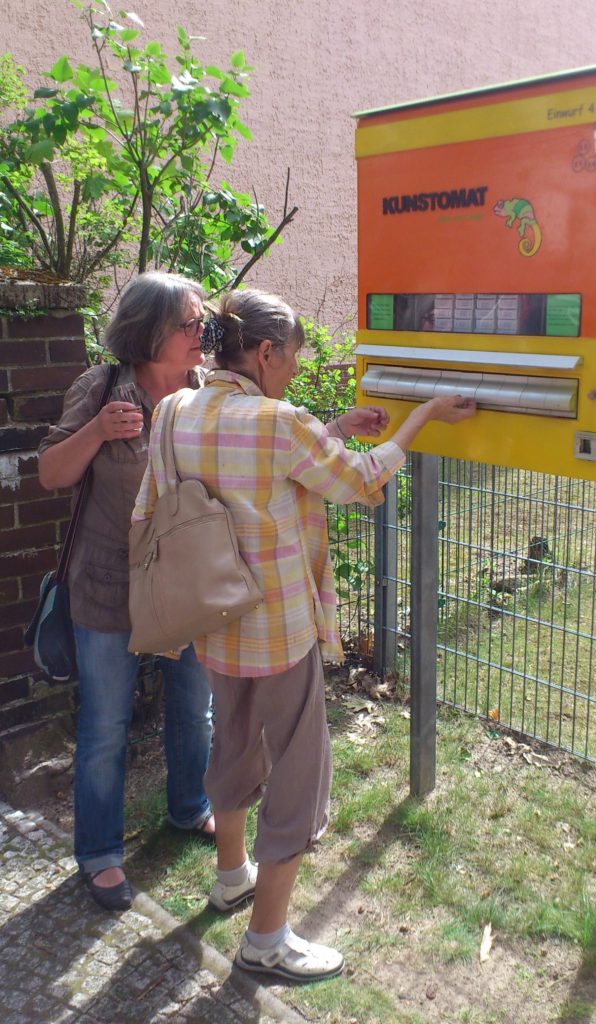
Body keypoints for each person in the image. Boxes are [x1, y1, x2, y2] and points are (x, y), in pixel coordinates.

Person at [133, 288, 476, 981]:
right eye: (290, 356)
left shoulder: (174, 408)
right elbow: (357, 480)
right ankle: (266, 940)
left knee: (230, 743)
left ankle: (232, 876)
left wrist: (335, 426)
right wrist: (420, 423)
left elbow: (251, 472)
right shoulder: (276, 420)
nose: (293, 369)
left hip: (208, 616)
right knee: (296, 773)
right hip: (276, 627)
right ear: (263, 352)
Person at [38, 272, 216, 913]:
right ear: (149, 333)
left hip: (186, 586)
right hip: (108, 588)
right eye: (191, 324)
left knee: (195, 708)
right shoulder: (102, 388)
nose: (204, 333)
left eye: (204, 321)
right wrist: (97, 433)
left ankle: (189, 806)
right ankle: (100, 854)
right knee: (106, 726)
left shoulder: (203, 392)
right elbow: (51, 475)